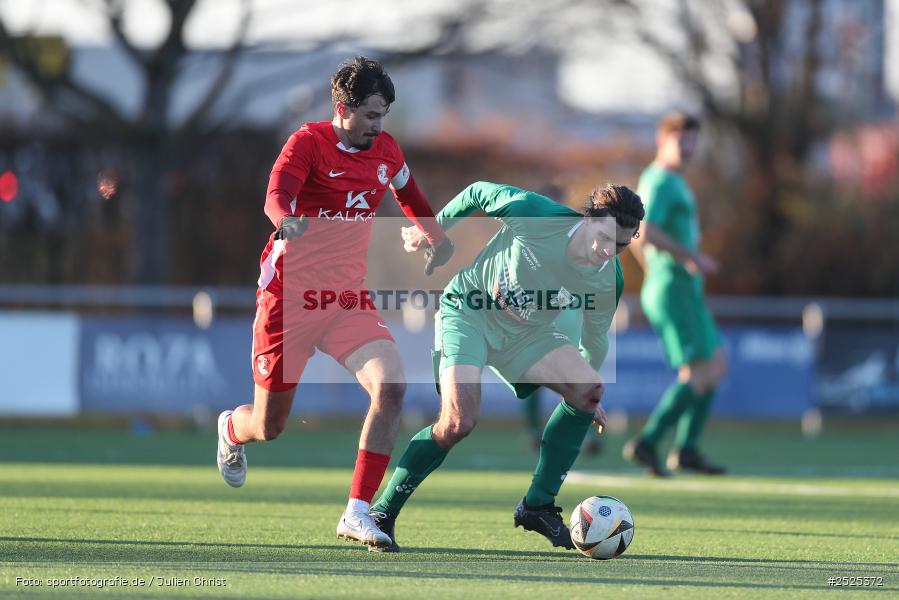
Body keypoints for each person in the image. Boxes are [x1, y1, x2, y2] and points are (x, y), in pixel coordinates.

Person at [214, 56, 454, 548]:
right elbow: (275, 196)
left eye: (384, 114)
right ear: (342, 109)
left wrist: (436, 238)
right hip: (289, 298)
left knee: (391, 388)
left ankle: (358, 512)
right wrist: (286, 220)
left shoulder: (385, 149)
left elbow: (410, 195)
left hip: (346, 298)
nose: (379, 125)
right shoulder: (307, 142)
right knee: (269, 425)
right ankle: (232, 430)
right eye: (370, 114)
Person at [368, 181, 644, 552]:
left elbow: (595, 340)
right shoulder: (538, 215)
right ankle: (383, 512)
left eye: (621, 246)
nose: (607, 251)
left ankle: (537, 506)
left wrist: (586, 395)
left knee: (588, 389)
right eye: (604, 238)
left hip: (528, 335)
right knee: (457, 423)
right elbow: (478, 191)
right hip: (470, 313)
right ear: (589, 219)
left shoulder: (608, 278)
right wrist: (432, 231)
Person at [623, 112, 727, 477]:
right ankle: (649, 443)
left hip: (682, 289)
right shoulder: (660, 181)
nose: (688, 147)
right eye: (680, 139)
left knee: (713, 365)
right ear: (662, 140)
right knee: (702, 370)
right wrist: (689, 258)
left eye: (693, 140)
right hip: (674, 289)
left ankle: (686, 449)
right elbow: (643, 231)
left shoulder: (676, 182)